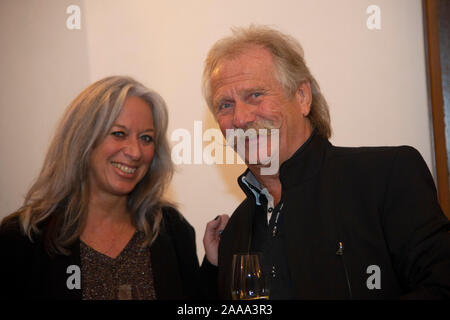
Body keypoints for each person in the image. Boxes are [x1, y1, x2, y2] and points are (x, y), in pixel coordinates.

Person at [202, 25, 450, 299]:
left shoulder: (387, 177)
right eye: (225, 105)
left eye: (255, 95)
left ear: (302, 97)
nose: (240, 119)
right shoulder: (236, 231)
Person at [0, 76, 226, 299]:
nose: (135, 152)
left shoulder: (170, 228)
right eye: (119, 134)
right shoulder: (23, 239)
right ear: (83, 140)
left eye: (146, 138)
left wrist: (214, 264)